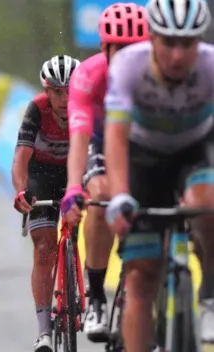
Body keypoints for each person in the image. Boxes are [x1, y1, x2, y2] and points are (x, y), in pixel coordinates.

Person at [103, 0, 214, 349]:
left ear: (201, 40)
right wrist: (120, 195)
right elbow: (116, 138)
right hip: (143, 160)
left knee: (207, 203)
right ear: (152, 38)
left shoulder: (211, 66)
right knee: (141, 276)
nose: (178, 55)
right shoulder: (128, 65)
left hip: (195, 152)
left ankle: (210, 293)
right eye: (168, 42)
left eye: (188, 44)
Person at [61, 2, 150, 342]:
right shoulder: (88, 75)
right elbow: (79, 137)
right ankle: (96, 295)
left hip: (141, 143)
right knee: (98, 194)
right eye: (121, 50)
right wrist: (73, 187)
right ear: (103, 48)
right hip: (98, 141)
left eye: (138, 50)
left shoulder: (160, 73)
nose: (130, 59)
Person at [12, 54, 80, 352]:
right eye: (57, 91)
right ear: (47, 90)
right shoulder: (36, 109)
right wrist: (21, 192)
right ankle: (44, 331)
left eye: (71, 91)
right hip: (42, 174)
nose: (64, 99)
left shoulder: (88, 105)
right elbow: (20, 159)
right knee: (44, 248)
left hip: (78, 169)